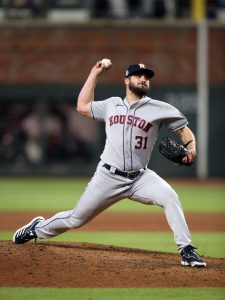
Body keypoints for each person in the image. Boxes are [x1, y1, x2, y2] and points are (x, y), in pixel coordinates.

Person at [13, 60, 206, 268]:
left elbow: (184, 131)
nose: (143, 78)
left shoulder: (160, 108)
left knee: (169, 196)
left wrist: (191, 150)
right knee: (75, 219)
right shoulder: (111, 104)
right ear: (126, 80)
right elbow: (82, 106)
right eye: (138, 75)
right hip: (108, 176)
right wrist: (94, 73)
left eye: (146, 76)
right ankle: (37, 228)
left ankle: (186, 250)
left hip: (140, 177)